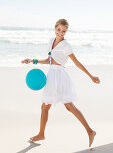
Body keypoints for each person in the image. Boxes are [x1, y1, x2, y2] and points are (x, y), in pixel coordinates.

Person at [21, 19, 100, 147]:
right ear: (55, 28)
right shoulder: (51, 41)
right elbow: (49, 60)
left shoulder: (66, 45)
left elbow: (76, 62)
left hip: (60, 76)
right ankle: (42, 134)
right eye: (59, 30)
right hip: (52, 75)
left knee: (64, 106)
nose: (61, 33)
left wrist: (91, 76)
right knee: (51, 106)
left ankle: (90, 131)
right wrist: (32, 60)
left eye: (64, 31)